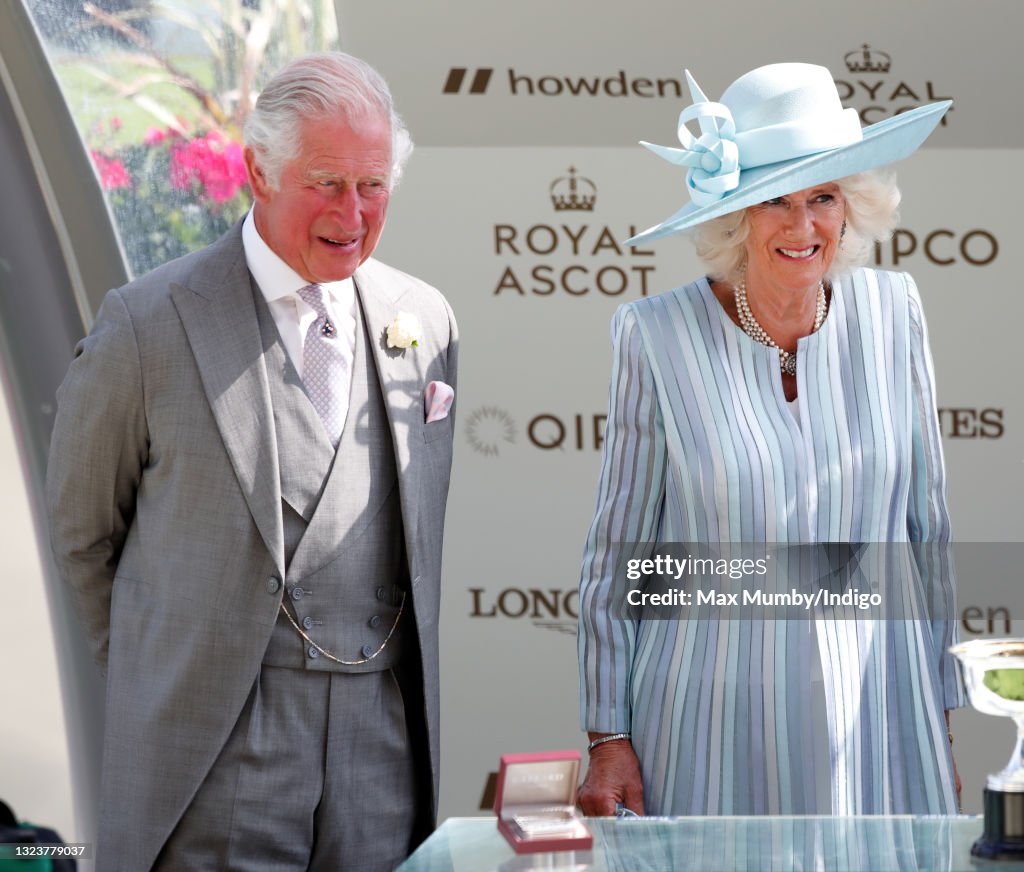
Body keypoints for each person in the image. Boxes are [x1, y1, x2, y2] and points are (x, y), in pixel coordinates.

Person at [46, 51, 457, 871]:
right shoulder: (147, 322)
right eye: (327, 182)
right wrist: (163, 675)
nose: (354, 211)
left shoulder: (428, 321)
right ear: (257, 173)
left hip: (381, 749)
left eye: (373, 184)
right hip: (212, 752)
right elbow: (81, 536)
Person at [577, 63, 962, 816]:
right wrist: (607, 735)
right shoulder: (655, 337)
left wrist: (938, 714)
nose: (802, 225)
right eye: (773, 201)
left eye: (822, 197)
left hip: (879, 709)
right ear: (734, 217)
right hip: (708, 717)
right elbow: (618, 551)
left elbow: (928, 532)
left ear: (851, 209)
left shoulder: (896, 313)